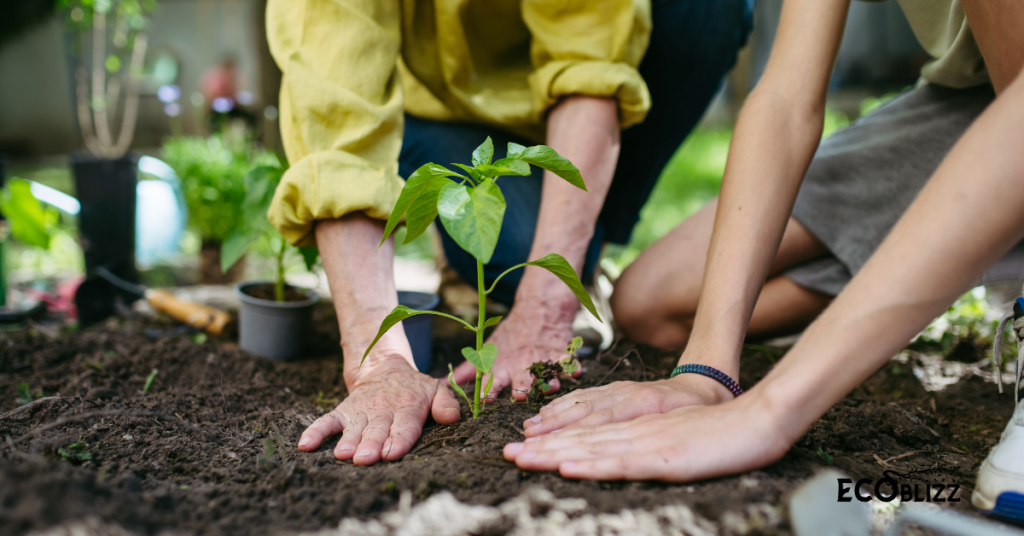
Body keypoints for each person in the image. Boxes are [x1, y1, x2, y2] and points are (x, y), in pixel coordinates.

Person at [504, 0, 1024, 520]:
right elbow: (785, 96)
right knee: (654, 301)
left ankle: (972, 244)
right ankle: (965, 249)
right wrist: (706, 374)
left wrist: (769, 412)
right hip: (967, 105)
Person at [265, 0, 753, 465]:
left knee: (709, 8)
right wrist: (378, 362)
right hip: (430, 114)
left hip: (562, 111)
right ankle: (565, 255)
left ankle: (583, 244)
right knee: (517, 251)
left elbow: (590, 65)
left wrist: (546, 305)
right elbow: (337, 128)